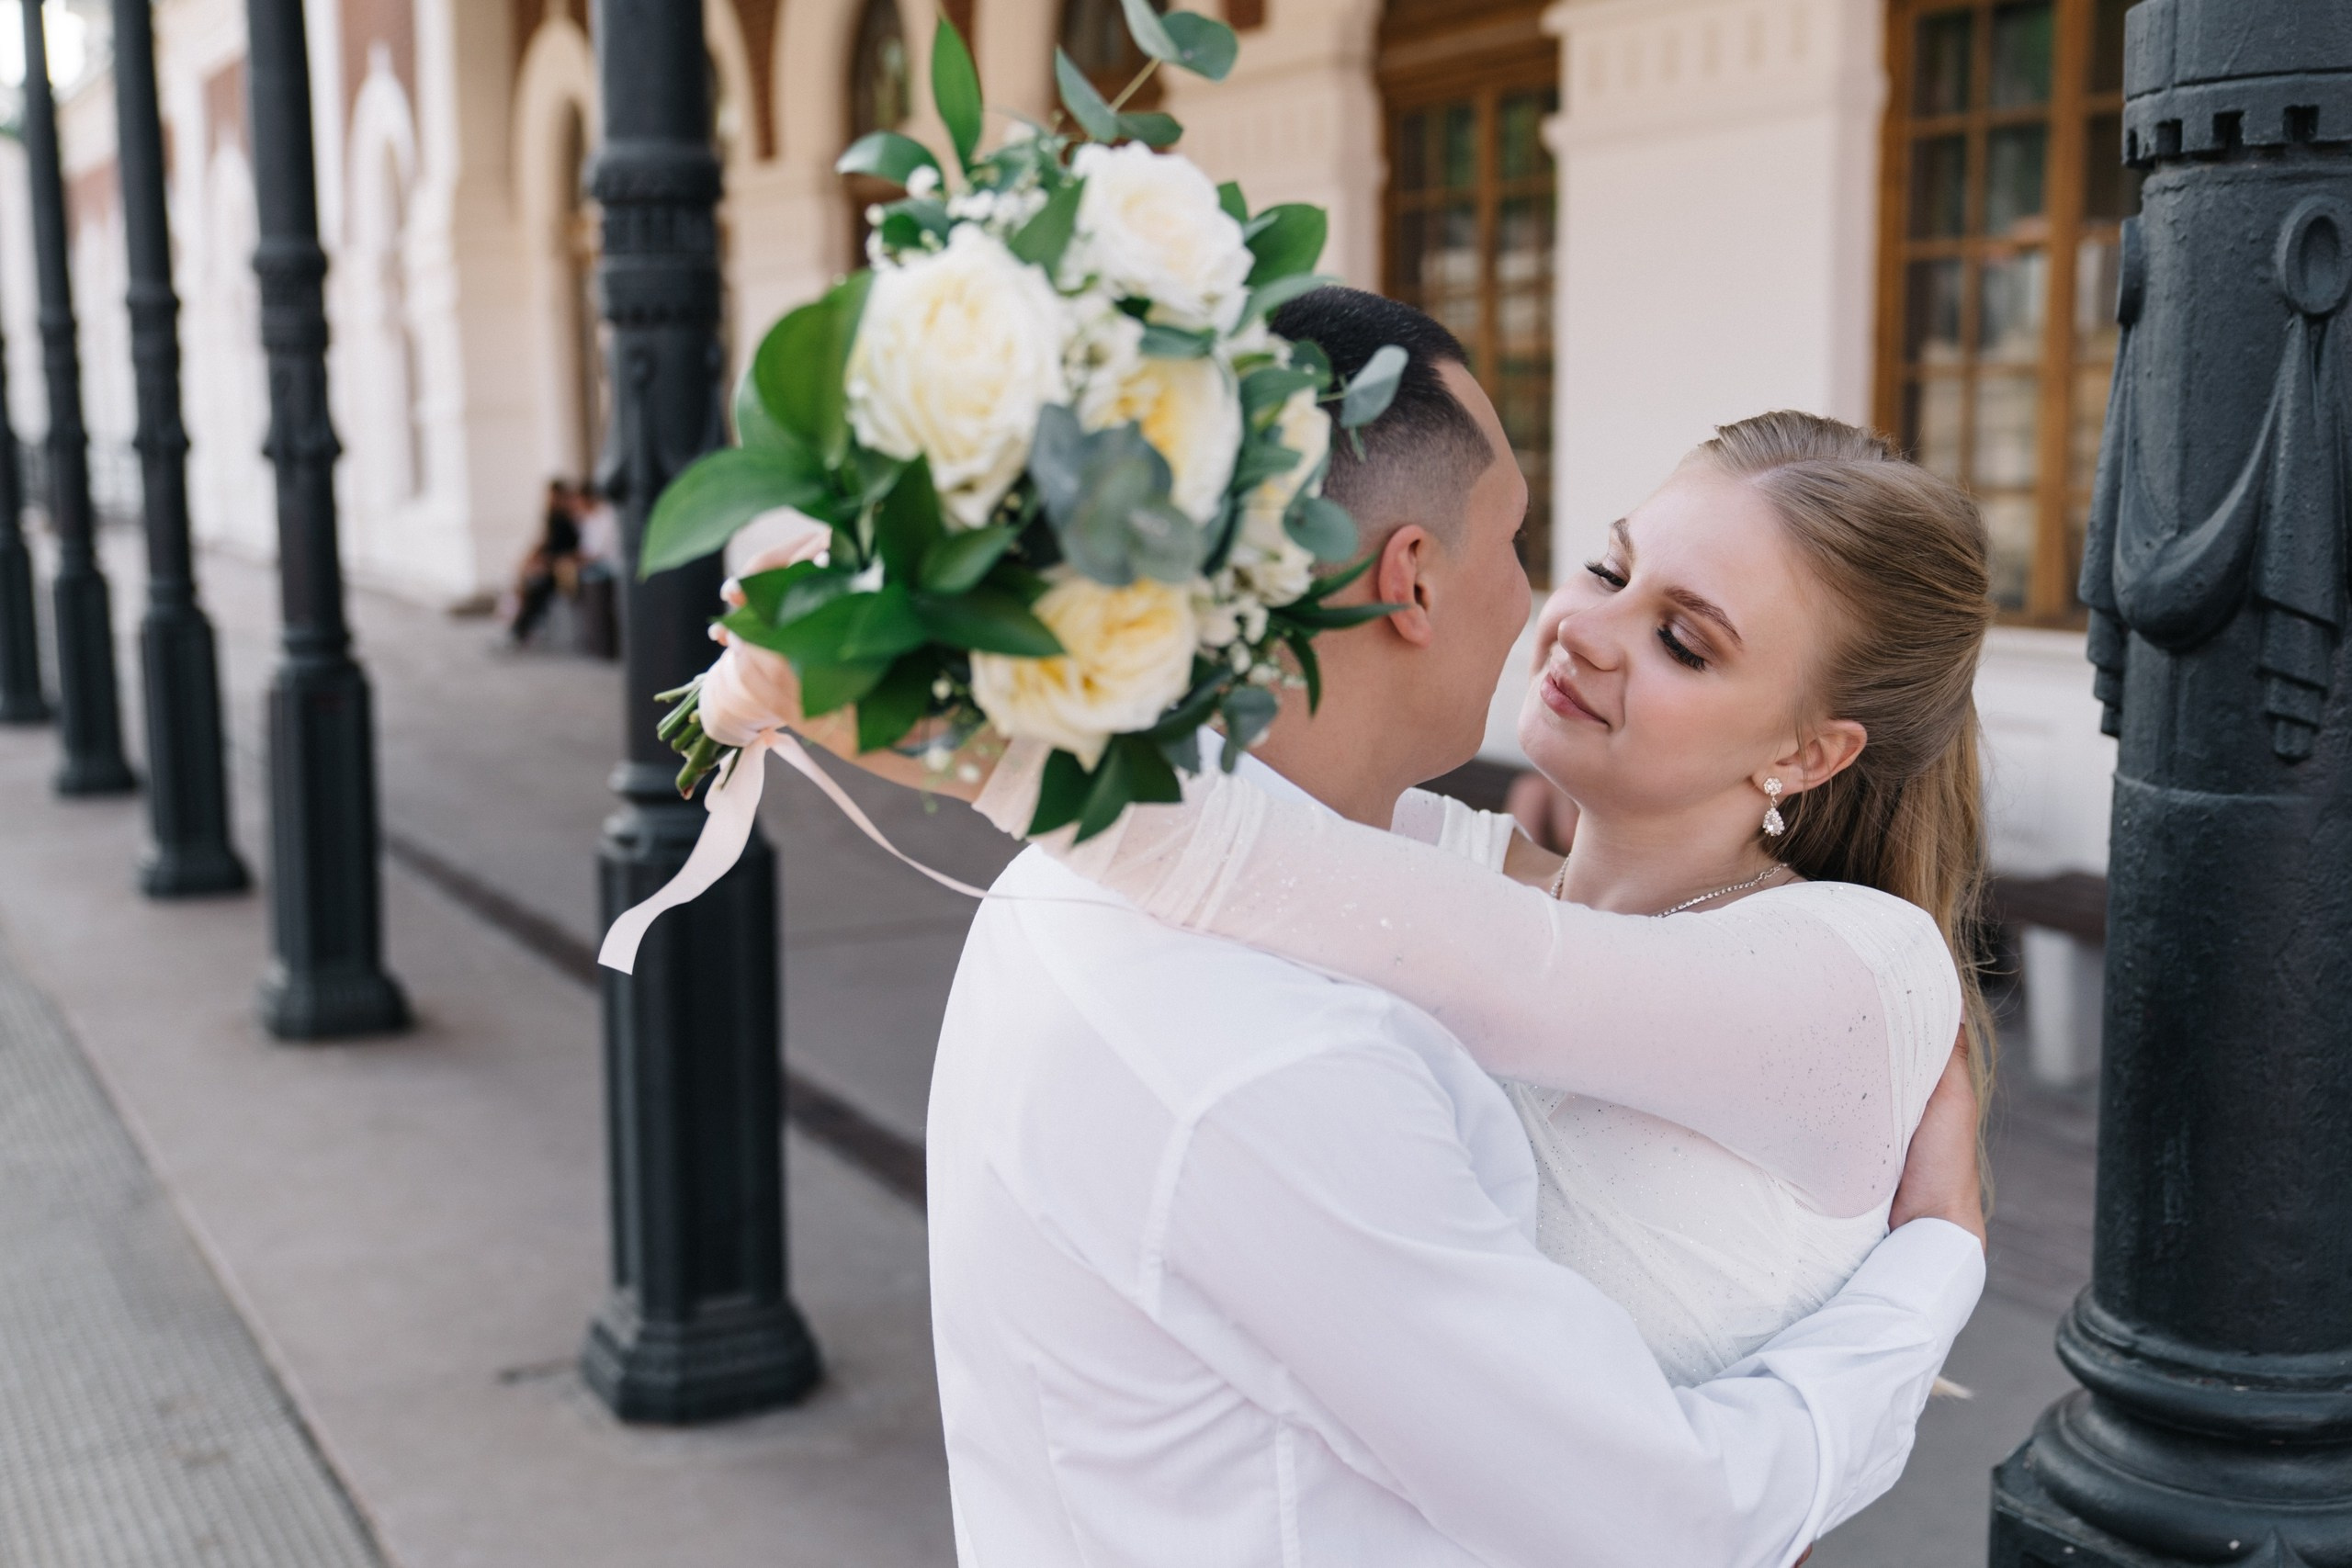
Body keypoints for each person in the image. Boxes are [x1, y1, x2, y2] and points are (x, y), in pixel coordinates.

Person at [702, 288, 1989, 1564]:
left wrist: (969, 729)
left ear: (1812, 748)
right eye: (1606, 561)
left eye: (1683, 640)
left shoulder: (1857, 970)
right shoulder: (1448, 873)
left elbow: (1416, 929)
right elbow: (1301, 835)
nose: (1575, 621)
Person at [506, 479, 583, 646]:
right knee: (527, 584)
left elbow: (569, 548)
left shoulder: (568, 518)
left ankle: (519, 630)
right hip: (553, 564)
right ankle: (516, 627)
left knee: (538, 587)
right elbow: (545, 543)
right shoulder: (553, 517)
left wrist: (547, 561)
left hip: (561, 566)